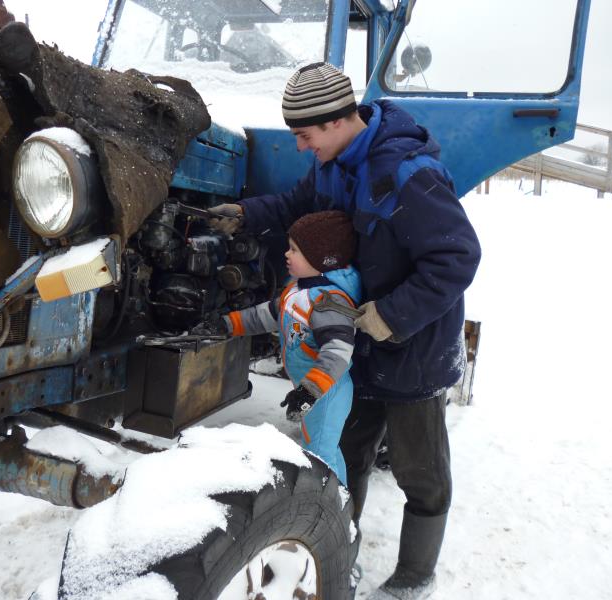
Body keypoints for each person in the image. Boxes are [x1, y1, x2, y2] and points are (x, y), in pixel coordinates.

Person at [208, 62, 481, 600]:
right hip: (355, 344)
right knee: (346, 454)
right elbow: (295, 207)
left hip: (413, 351)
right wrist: (243, 213)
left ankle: (415, 574)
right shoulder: (333, 166)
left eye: (305, 137)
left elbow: (457, 257)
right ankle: (340, 547)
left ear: (337, 120)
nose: (303, 148)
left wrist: (392, 316)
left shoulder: (408, 174)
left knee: (419, 471)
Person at [218, 210, 360, 485]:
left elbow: (338, 351)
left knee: (320, 457)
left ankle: (331, 514)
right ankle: (337, 511)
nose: (286, 254)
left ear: (321, 259)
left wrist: (310, 391)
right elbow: (265, 315)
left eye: (295, 250)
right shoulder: (296, 291)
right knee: (320, 448)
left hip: (327, 391)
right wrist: (227, 324)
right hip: (311, 388)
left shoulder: (329, 301)